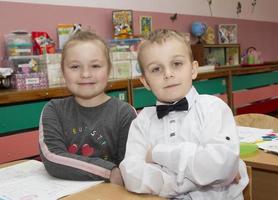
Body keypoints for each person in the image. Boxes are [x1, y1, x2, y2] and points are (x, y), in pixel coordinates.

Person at [120, 29, 248, 199]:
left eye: (177, 64)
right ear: (145, 82)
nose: (168, 74)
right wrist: (199, 177)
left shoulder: (213, 108)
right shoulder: (142, 122)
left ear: (194, 69)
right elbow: (132, 174)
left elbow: (219, 166)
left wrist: (157, 154)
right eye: (156, 69)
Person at [39, 31, 136, 185]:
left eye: (95, 65)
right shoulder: (53, 110)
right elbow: (52, 157)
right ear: (63, 72)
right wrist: (109, 172)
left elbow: (131, 166)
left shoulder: (124, 113)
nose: (85, 74)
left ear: (109, 70)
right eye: (75, 66)